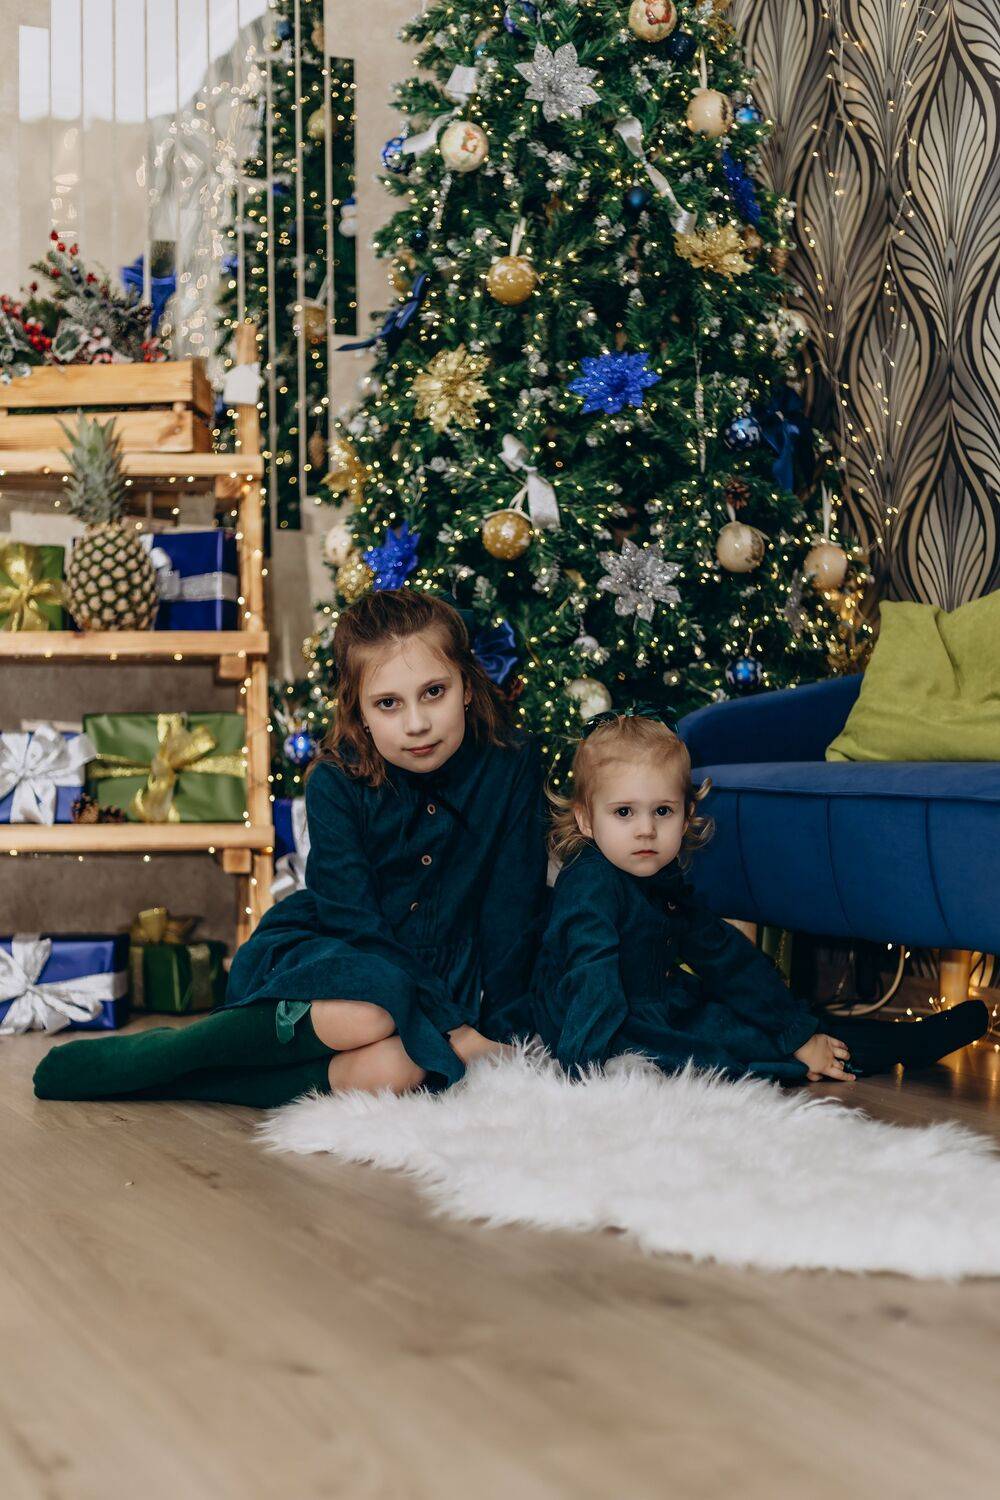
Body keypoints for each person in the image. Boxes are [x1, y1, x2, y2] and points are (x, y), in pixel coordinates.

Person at [34, 591, 548, 1107]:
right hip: (342, 952)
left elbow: (512, 910)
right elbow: (354, 922)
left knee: (402, 1067)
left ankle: (200, 1081)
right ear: (360, 710)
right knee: (376, 1007)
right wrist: (455, 1029)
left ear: (466, 686)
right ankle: (177, 1051)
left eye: (433, 692)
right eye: (388, 703)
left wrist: (503, 1033)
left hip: (440, 975)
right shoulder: (336, 779)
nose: (416, 723)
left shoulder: (511, 762)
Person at [530, 707, 988, 1083]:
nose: (646, 829)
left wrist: (795, 1028)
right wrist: (584, 1070)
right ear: (586, 819)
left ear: (687, 815)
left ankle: (877, 1040)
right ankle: (883, 1049)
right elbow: (590, 978)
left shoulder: (659, 878)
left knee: (767, 1018)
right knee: (737, 1046)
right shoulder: (590, 884)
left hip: (658, 1001)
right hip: (603, 1025)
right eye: (624, 812)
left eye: (663, 811)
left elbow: (723, 954)